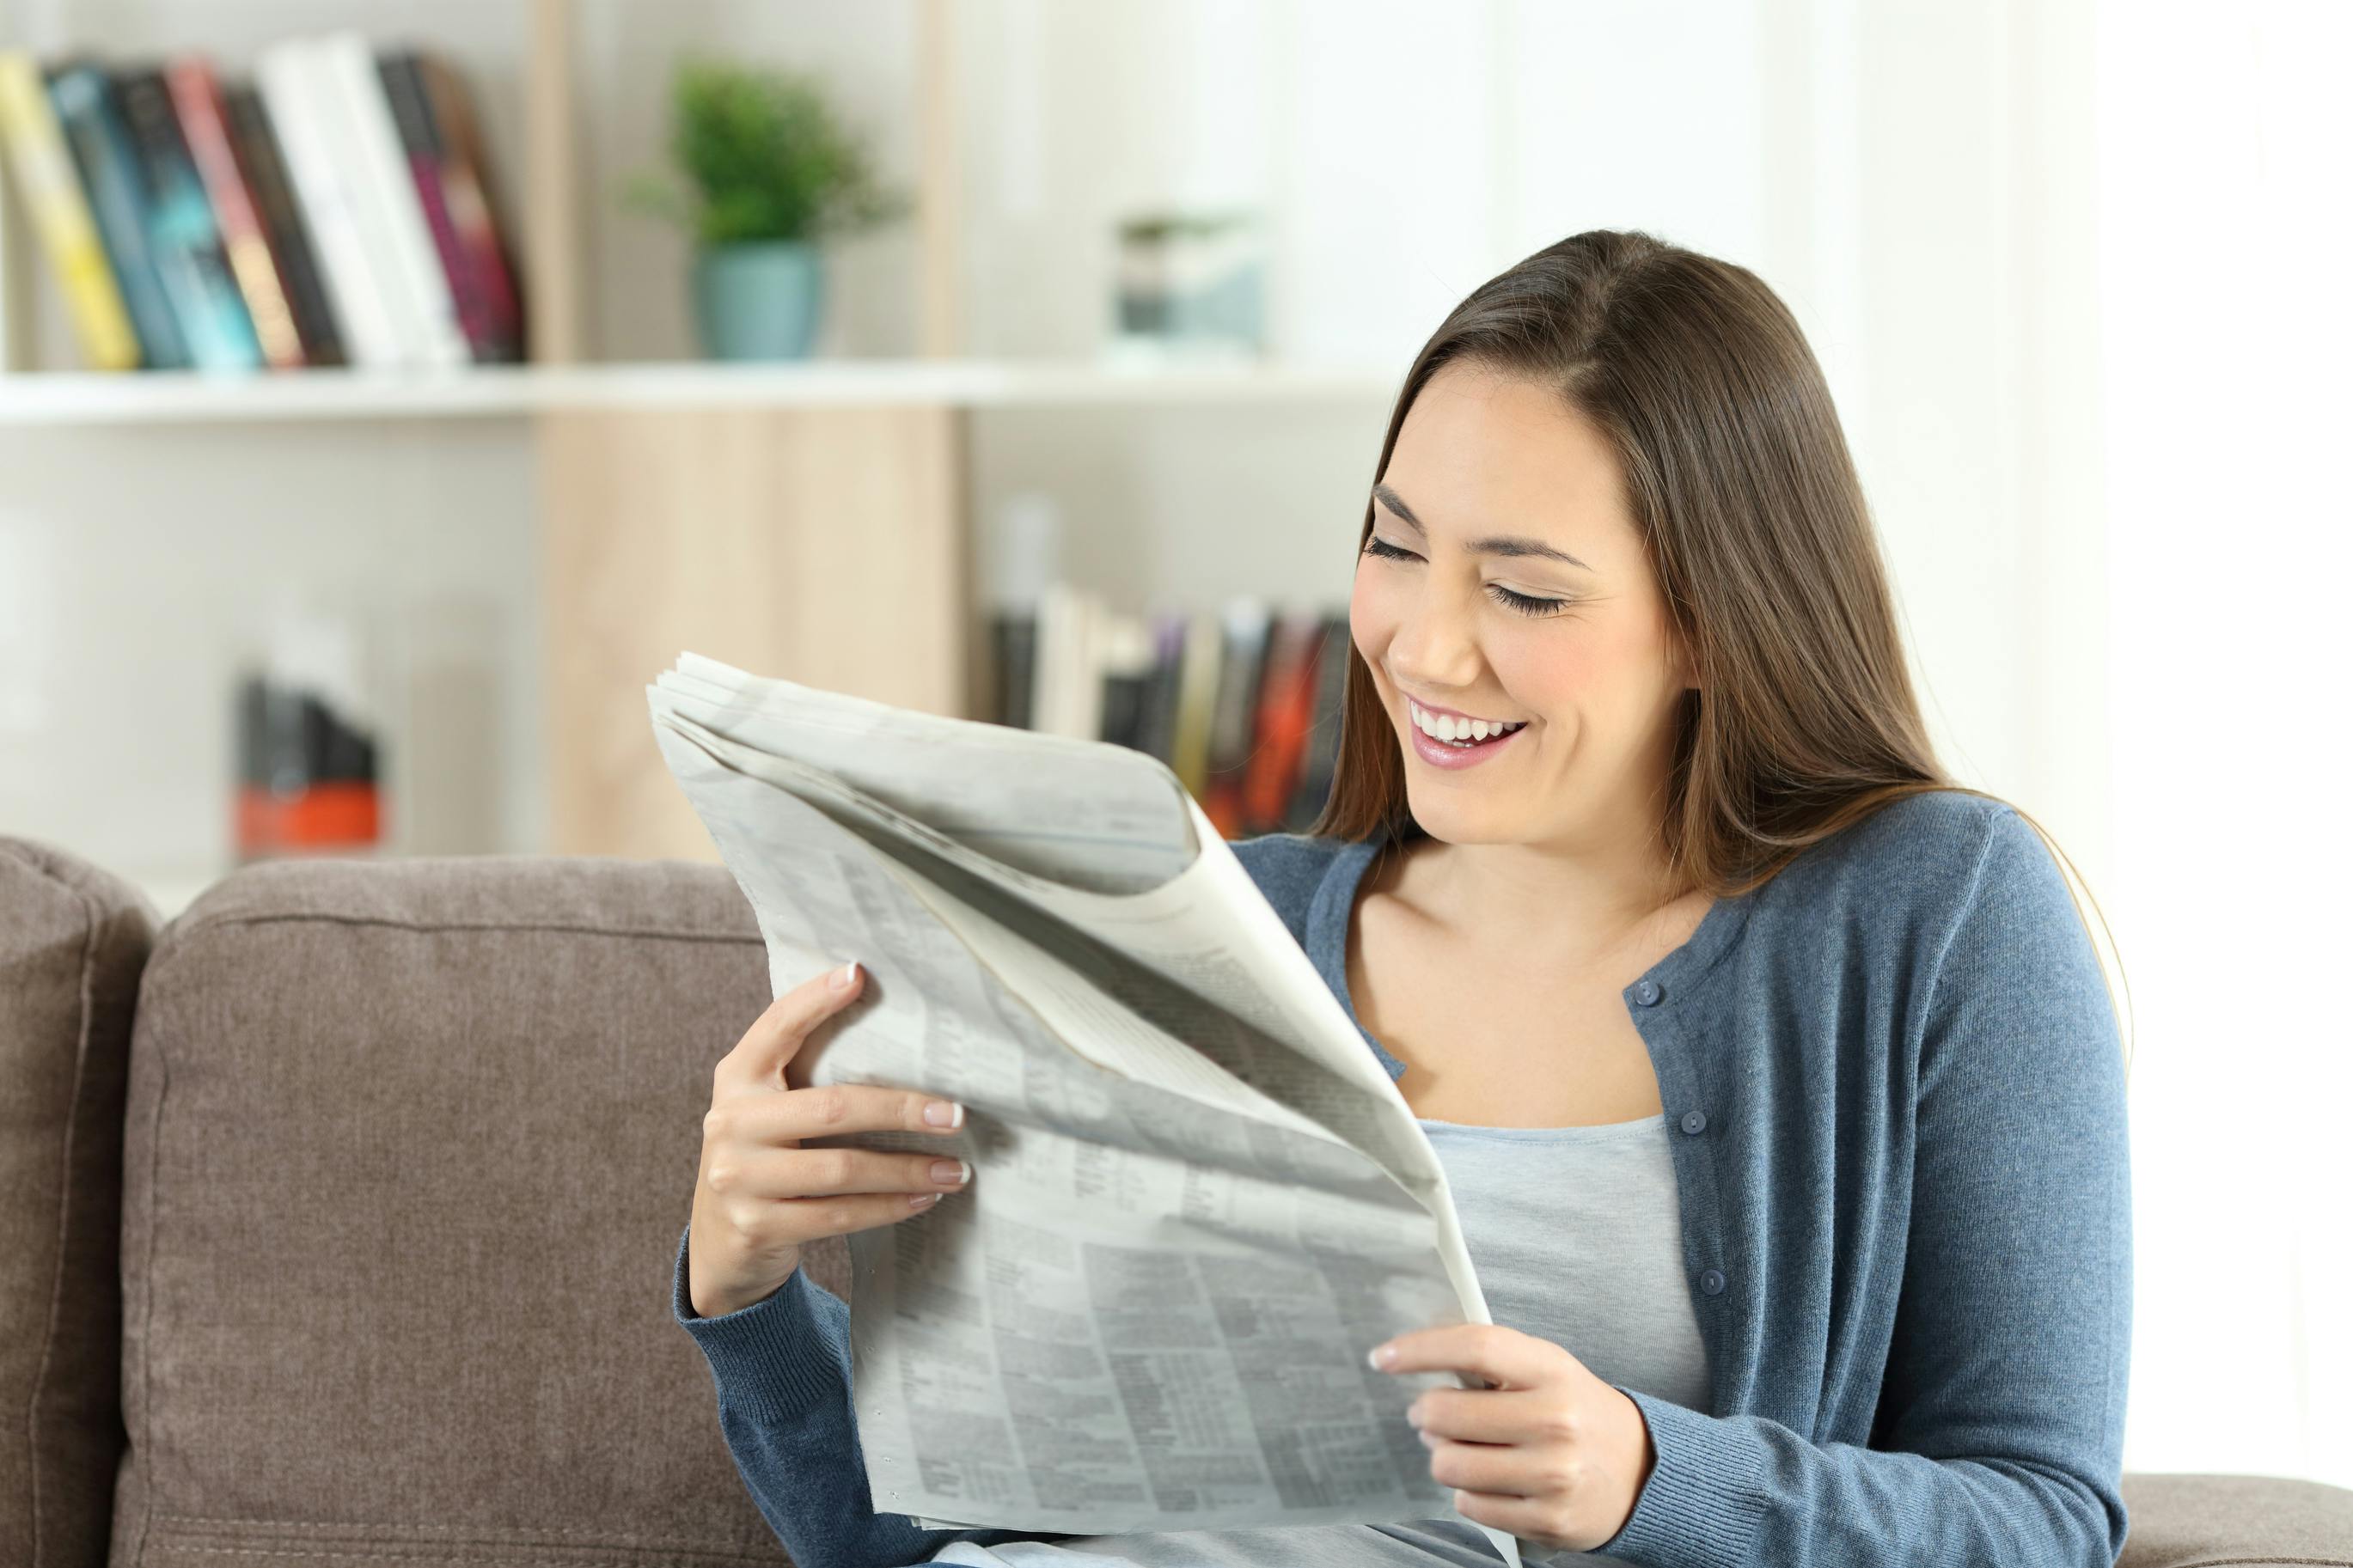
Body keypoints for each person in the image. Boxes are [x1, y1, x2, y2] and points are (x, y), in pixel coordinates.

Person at [670, 228, 2134, 1568]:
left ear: (1712, 620)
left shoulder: (1935, 915)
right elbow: (896, 1538)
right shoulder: (1223, 926)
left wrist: (1646, 1473)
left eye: (1528, 592)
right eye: (1392, 544)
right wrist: (748, 1289)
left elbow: (2041, 1518)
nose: (1426, 649)